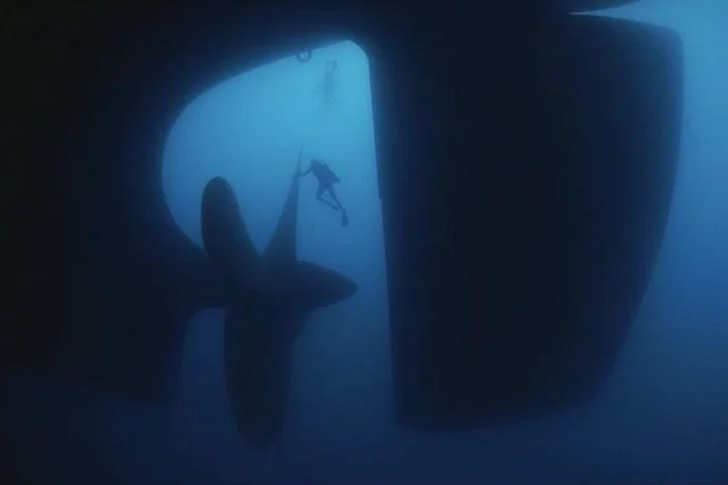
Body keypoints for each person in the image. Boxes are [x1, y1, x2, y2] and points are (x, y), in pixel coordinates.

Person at [300, 158, 348, 226]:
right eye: (313, 163)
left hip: (325, 184)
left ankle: (336, 207)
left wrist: (336, 179)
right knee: (329, 197)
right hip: (326, 184)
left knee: (323, 197)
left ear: (315, 163)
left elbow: (331, 173)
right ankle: (336, 207)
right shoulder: (319, 167)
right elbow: (331, 173)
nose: (313, 164)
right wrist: (336, 179)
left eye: (313, 163)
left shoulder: (318, 167)